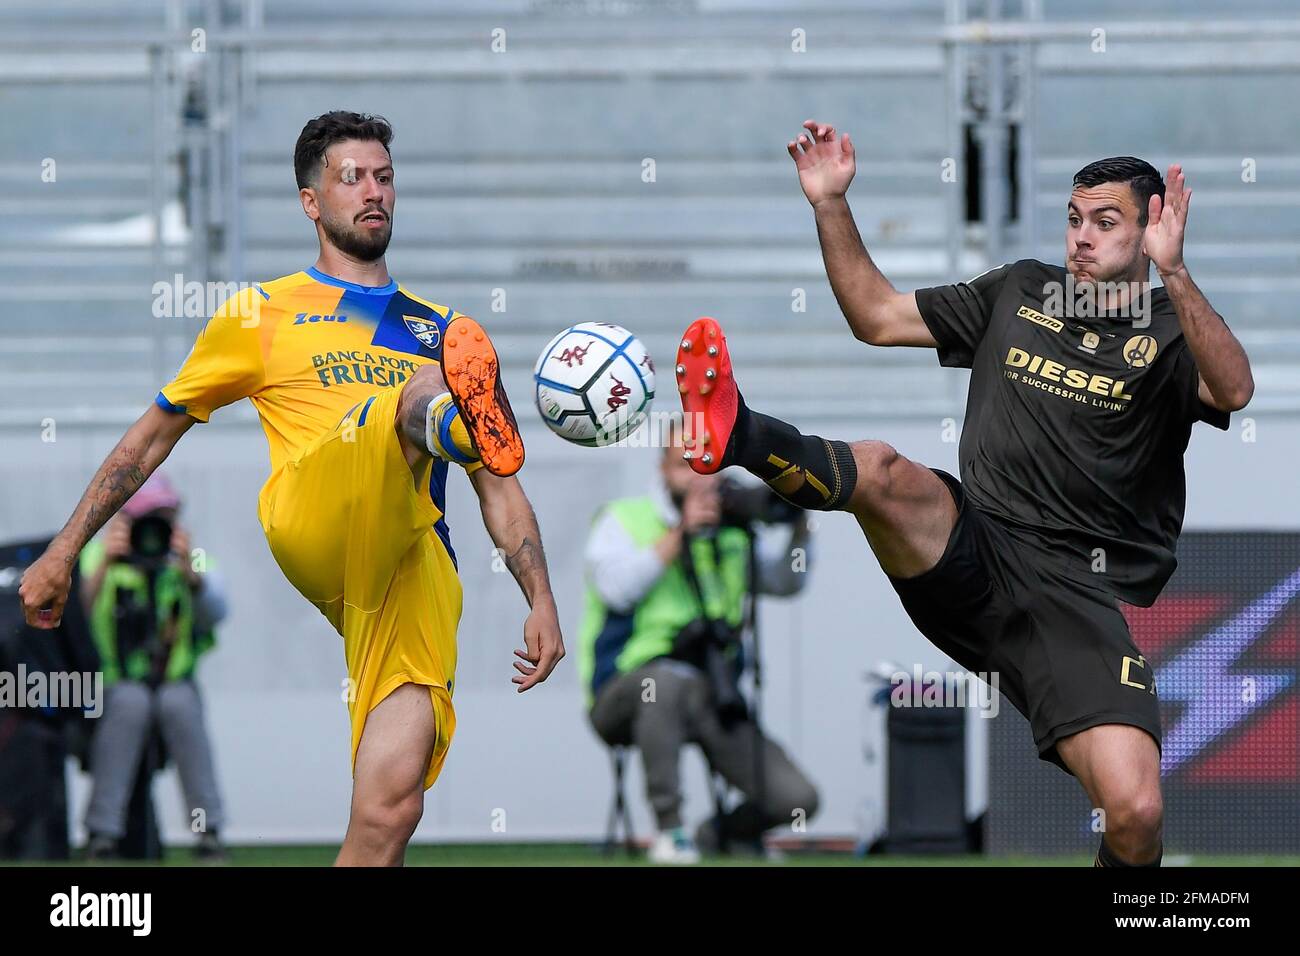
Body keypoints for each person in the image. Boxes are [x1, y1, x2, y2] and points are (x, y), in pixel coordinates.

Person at [671, 119, 1253, 867]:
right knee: (883, 472)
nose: (1081, 237)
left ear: (1150, 232)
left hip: (1074, 597)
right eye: (1074, 219)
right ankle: (738, 431)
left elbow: (1232, 388)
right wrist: (830, 205)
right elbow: (876, 316)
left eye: (1106, 222)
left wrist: (1175, 274)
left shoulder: (1172, 332)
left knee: (1135, 814)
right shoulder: (1019, 289)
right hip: (972, 544)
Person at [19, 111, 565, 867]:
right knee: (418, 394)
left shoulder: (444, 327)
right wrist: (64, 550)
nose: (373, 192)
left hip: (409, 559)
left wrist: (540, 595)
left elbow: (499, 486)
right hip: (315, 506)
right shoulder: (261, 313)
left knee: (390, 812)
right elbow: (149, 438)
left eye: (384, 177)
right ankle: (441, 418)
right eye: (351, 178)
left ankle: (449, 424)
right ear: (312, 203)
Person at [580, 421, 819, 863]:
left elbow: (786, 582)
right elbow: (615, 588)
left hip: (712, 693)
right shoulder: (624, 518)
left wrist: (799, 527)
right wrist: (681, 534)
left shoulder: (731, 529)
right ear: (662, 470)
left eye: (704, 467)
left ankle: (719, 834)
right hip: (625, 690)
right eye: (683, 467)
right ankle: (671, 832)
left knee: (797, 799)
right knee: (665, 683)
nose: (696, 479)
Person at [79, 472, 228, 861]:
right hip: (115, 684)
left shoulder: (190, 560)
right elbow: (71, 619)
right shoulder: (97, 556)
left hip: (174, 682)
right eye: (143, 518)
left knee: (180, 706)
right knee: (129, 705)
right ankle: (103, 835)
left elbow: (217, 613)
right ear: (121, 520)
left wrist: (191, 578)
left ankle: (207, 830)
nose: (152, 529)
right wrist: (105, 566)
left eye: (162, 516)